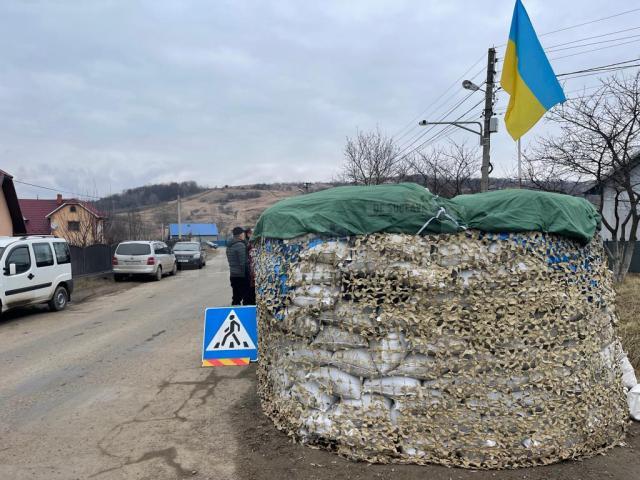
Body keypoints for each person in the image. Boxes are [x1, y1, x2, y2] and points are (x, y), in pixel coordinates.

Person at [226, 227, 249, 305]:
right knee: (247, 297)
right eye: (243, 234)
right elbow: (243, 263)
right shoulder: (240, 245)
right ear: (240, 235)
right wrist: (248, 274)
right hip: (241, 275)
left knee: (236, 297)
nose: (244, 235)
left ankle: (235, 312)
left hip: (233, 274)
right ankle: (245, 315)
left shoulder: (229, 245)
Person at [244, 228, 256, 305]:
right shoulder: (248, 244)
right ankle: (250, 304)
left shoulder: (248, 243)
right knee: (250, 288)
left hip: (250, 269)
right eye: (251, 233)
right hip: (250, 270)